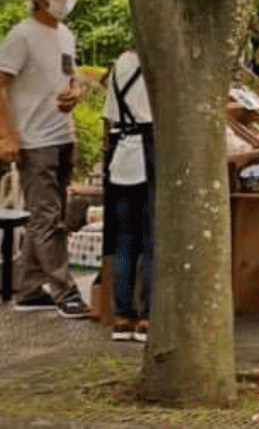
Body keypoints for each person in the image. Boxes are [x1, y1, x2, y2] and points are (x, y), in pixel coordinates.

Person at [0, 0, 90, 317]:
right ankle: (64, 289)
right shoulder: (21, 36)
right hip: (34, 139)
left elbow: (71, 76)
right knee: (46, 216)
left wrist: (76, 92)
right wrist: (8, 136)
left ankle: (28, 289)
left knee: (54, 216)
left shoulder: (66, 34)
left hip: (62, 134)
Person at [102, 46, 156, 342]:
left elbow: (109, 119)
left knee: (124, 240)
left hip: (121, 156)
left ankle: (122, 317)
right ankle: (147, 315)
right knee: (150, 240)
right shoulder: (159, 61)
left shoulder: (119, 64)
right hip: (150, 156)